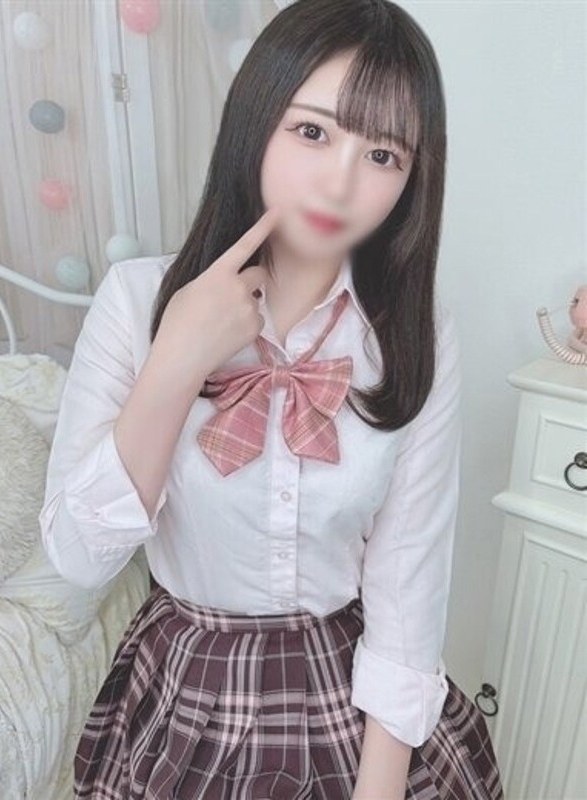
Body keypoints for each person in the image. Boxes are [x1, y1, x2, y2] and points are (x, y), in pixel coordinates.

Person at [39, 0, 503, 797]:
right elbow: (79, 560)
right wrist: (178, 358)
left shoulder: (418, 332)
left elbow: (409, 585)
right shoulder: (134, 299)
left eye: (383, 154)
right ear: (255, 121)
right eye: (313, 131)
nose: (341, 182)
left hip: (350, 698)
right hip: (185, 689)